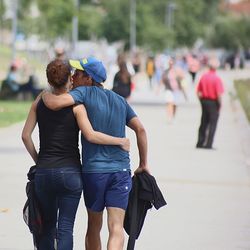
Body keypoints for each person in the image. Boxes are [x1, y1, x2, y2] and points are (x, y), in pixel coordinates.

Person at [42, 56, 150, 250]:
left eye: (78, 73)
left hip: (94, 173)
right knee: (116, 227)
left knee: (94, 226)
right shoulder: (119, 100)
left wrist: (43, 94)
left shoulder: (84, 93)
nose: (73, 77)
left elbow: (54, 103)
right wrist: (143, 164)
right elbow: (141, 130)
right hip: (121, 171)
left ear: (89, 79)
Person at [22, 59, 130, 250]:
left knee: (46, 227)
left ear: (49, 79)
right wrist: (120, 141)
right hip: (71, 174)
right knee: (65, 228)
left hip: (45, 172)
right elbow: (90, 134)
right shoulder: (77, 107)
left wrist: (39, 161)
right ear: (69, 80)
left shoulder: (39, 103)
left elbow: (25, 136)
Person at [196, 57, 224, 149]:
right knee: (212, 123)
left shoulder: (204, 76)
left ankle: (200, 142)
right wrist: (220, 104)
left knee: (204, 121)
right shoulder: (217, 78)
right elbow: (219, 94)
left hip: (204, 100)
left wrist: (201, 101)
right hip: (213, 102)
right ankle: (209, 144)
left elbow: (198, 92)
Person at [161, 57, 185, 123]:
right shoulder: (166, 71)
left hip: (177, 90)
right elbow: (162, 79)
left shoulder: (177, 70)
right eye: (170, 63)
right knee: (169, 103)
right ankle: (169, 117)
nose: (171, 65)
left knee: (175, 104)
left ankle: (173, 116)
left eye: (172, 63)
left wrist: (178, 75)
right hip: (168, 89)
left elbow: (183, 77)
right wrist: (158, 88)